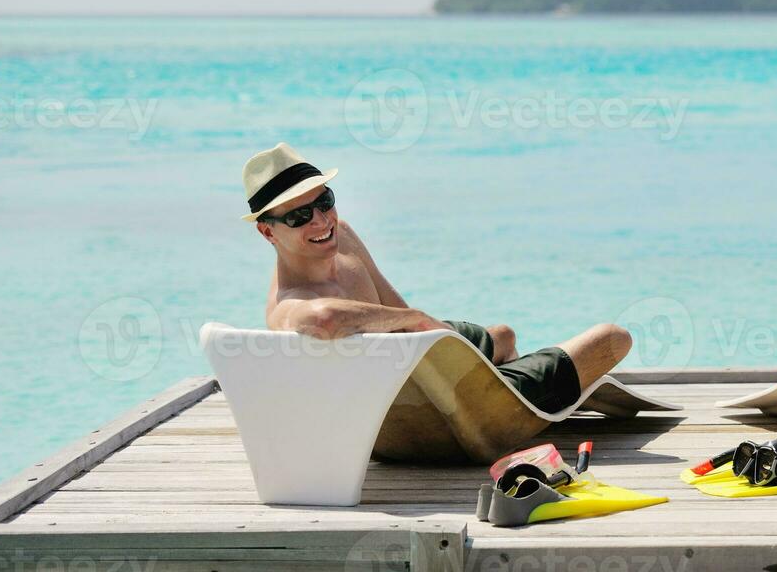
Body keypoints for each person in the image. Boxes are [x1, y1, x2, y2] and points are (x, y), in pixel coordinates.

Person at [242, 142, 631, 414]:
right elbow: (324, 319)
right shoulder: (288, 303)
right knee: (613, 339)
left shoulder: (341, 234)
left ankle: (516, 378)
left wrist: (426, 328)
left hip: (429, 356)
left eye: (324, 202)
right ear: (268, 232)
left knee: (504, 335)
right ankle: (521, 389)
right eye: (299, 216)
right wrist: (414, 321)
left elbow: (398, 310)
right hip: (432, 403)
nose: (321, 221)